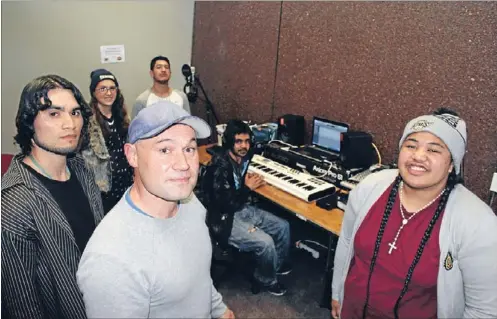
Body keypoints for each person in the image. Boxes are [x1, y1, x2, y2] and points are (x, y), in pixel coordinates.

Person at [331, 108, 497, 319]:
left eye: (434, 150)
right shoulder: (370, 186)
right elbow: (346, 243)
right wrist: (338, 292)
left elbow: (484, 311)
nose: (418, 156)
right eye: (411, 146)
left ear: (451, 165)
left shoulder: (478, 224)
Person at [77, 101, 234, 319]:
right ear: (132, 155)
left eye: (189, 149)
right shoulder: (110, 262)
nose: (183, 164)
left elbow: (198, 275)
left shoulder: (189, 202)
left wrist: (218, 309)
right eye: (165, 149)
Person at [1, 75, 105, 318]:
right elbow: (23, 305)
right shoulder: (13, 203)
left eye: (75, 112)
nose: (70, 124)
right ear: (29, 122)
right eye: (54, 114)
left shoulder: (81, 168)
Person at [202, 119, 292, 296]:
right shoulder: (219, 167)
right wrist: (246, 188)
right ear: (229, 142)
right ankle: (266, 279)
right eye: (238, 141)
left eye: (247, 141)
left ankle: (272, 267)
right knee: (266, 243)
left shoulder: (245, 157)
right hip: (224, 218)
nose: (244, 146)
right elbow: (225, 203)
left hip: (241, 207)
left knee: (283, 227)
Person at [82, 69, 134, 213]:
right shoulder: (87, 121)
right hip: (103, 189)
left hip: (126, 184)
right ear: (93, 92)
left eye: (112, 88)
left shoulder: (122, 116)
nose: (108, 93)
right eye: (103, 89)